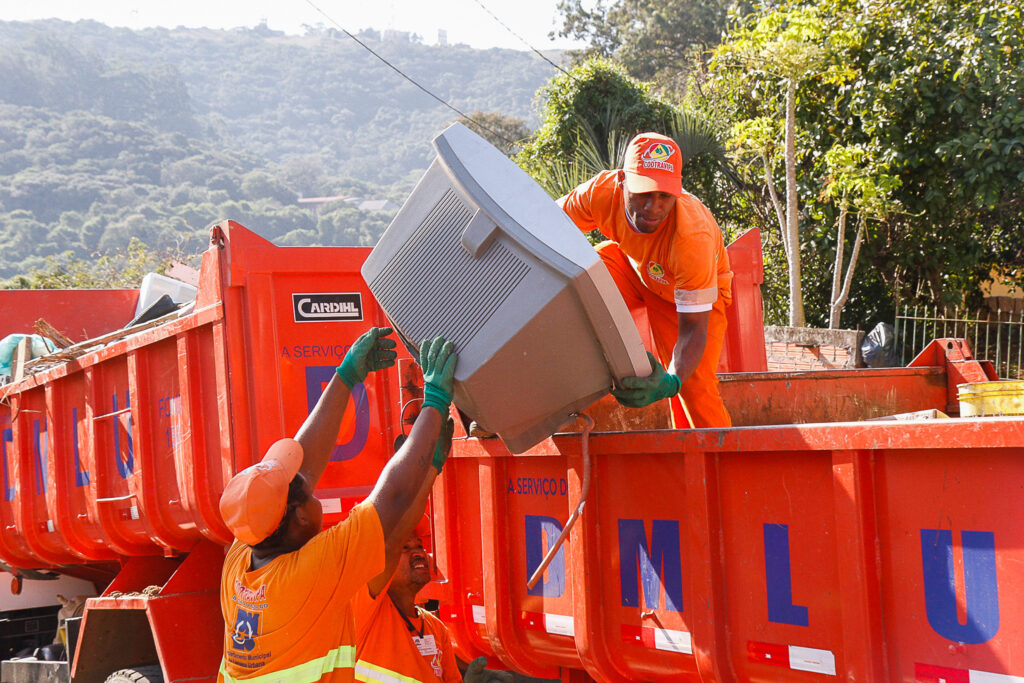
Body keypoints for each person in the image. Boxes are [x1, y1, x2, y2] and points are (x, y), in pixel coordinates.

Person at [216, 328, 458, 682]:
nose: (312, 484)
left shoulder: (243, 556)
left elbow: (303, 465)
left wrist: (345, 378)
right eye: (308, 493)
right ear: (299, 517)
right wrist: (434, 402)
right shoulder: (310, 574)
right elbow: (391, 497)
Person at [558, 132, 733, 428]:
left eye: (664, 196)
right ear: (622, 181)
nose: (654, 207)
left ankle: (722, 469)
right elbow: (542, 227)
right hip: (634, 270)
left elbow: (693, 330)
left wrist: (672, 381)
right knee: (582, 273)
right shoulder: (599, 194)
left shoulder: (692, 238)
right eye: (643, 193)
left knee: (695, 391)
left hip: (685, 297)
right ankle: (553, 388)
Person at [354, 523, 513, 683]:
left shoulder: (436, 628)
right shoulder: (366, 609)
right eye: (405, 547)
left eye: (420, 545)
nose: (419, 553)